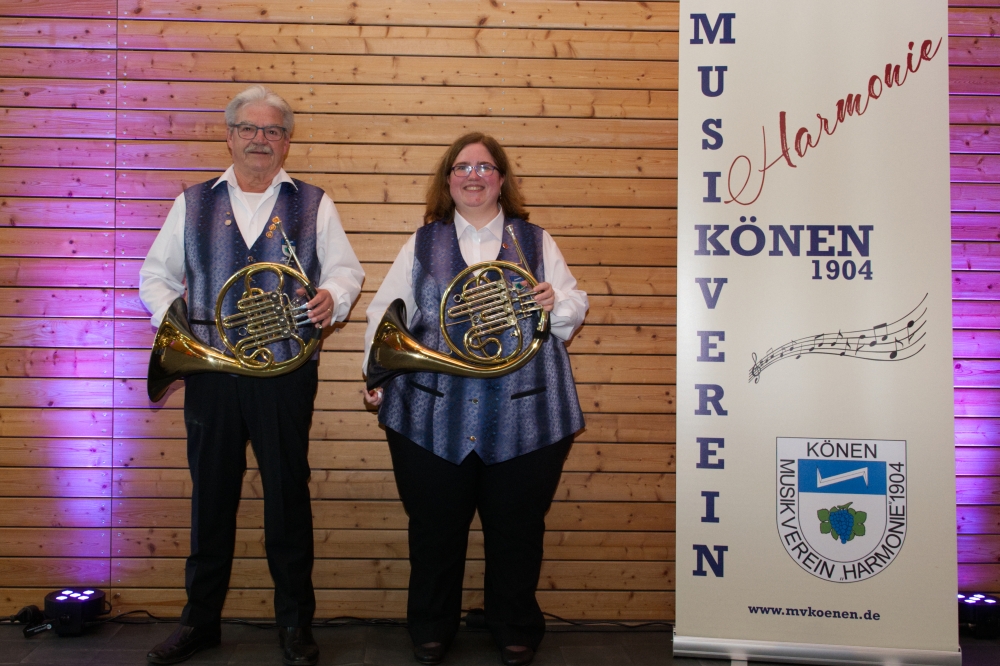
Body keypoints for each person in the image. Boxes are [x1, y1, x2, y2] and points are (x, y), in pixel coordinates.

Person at [139, 85, 364, 666]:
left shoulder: (315, 203)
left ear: (286, 141)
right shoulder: (192, 202)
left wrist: (332, 297)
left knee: (287, 499)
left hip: (286, 372)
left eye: (272, 131)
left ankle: (295, 625)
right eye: (249, 129)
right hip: (210, 372)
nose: (260, 140)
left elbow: (346, 271)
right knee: (210, 499)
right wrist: (178, 329)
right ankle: (200, 623)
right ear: (230, 135)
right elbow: (155, 276)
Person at [362, 133, 588, 666]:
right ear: (448, 180)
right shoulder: (422, 242)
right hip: (431, 411)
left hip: (527, 410)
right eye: (462, 167)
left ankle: (514, 625)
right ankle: (431, 625)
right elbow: (385, 312)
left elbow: (573, 308)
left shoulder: (535, 241)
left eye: (485, 167)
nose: (473, 176)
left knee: (518, 529)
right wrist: (375, 371)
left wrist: (554, 302)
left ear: (501, 180)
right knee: (434, 529)